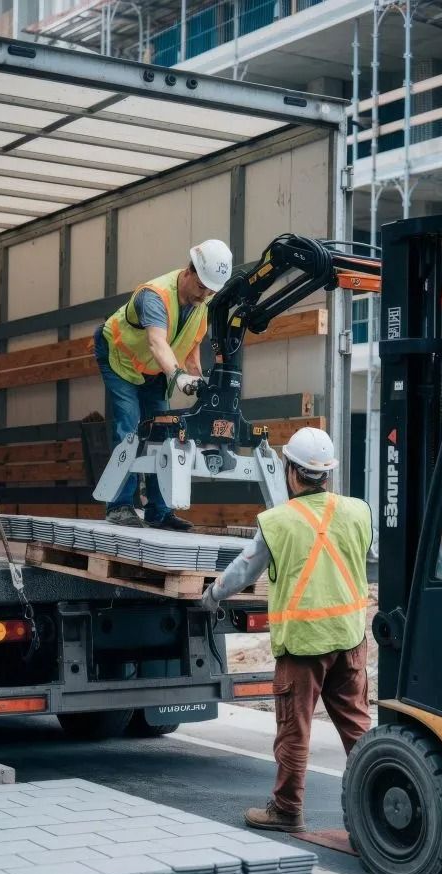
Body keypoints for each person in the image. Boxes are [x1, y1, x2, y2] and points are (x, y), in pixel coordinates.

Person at [202, 427, 372, 832]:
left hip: (303, 647)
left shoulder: (278, 522)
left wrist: (210, 597)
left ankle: (286, 810)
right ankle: (376, 804)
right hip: (350, 640)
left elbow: (242, 571)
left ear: (291, 471)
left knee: (294, 731)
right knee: (359, 730)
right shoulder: (358, 510)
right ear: (326, 473)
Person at [95, 239, 233, 531]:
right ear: (188, 271)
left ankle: (159, 511)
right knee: (130, 428)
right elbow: (157, 343)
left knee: (164, 432)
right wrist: (178, 376)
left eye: (211, 290)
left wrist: (202, 385)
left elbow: (191, 350)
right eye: (201, 287)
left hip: (156, 370)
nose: (205, 295)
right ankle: (119, 506)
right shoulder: (155, 296)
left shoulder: (202, 303)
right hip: (121, 359)